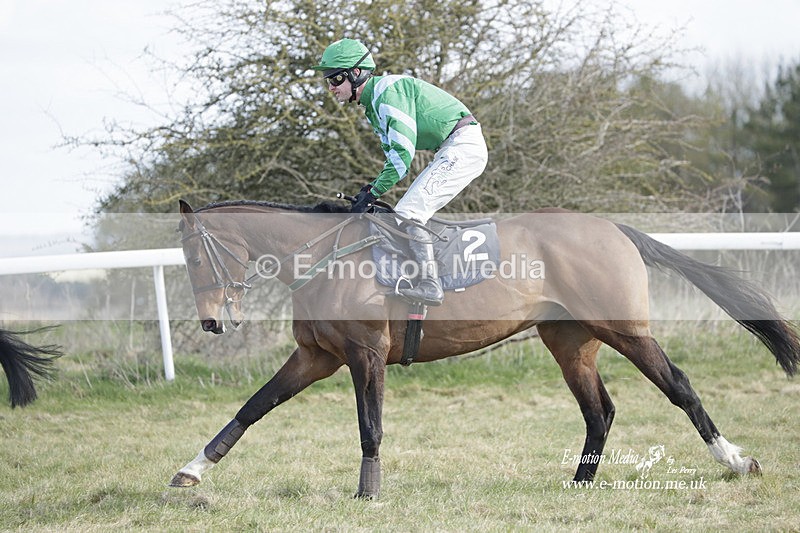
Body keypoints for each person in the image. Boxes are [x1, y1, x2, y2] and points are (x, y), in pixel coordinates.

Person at [313, 38, 488, 306]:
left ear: (356, 73)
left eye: (336, 79)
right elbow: (393, 158)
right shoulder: (373, 106)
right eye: (328, 81)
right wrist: (369, 191)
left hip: (463, 145)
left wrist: (372, 191)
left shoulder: (387, 94)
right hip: (451, 146)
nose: (331, 88)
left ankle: (431, 285)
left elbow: (401, 159)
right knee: (401, 212)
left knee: (409, 211)